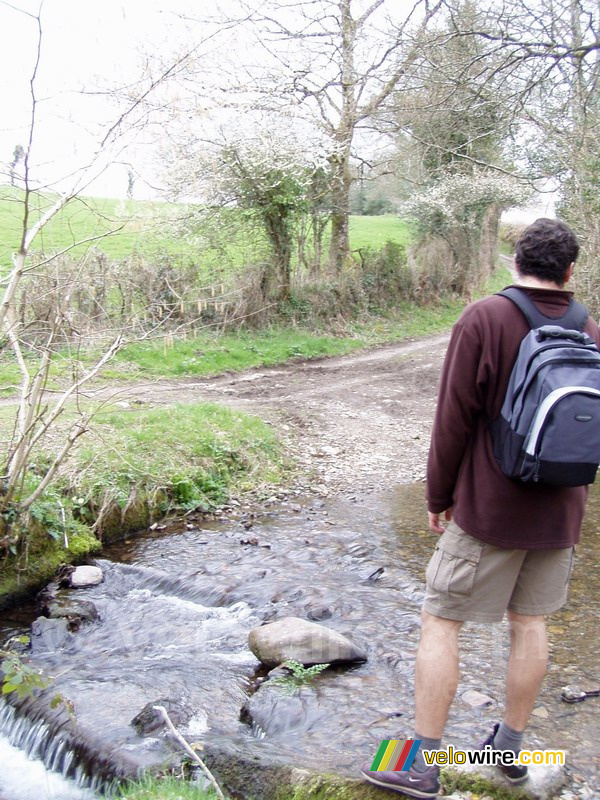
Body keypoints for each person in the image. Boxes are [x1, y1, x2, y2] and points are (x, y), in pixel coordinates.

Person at [361, 218, 600, 798]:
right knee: (531, 623)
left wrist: (438, 496)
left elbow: (453, 418)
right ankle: (509, 749)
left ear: (515, 261)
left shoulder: (485, 317)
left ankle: (420, 764)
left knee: (441, 619)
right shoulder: (590, 328)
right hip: (561, 511)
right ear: (570, 270)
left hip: (490, 509)